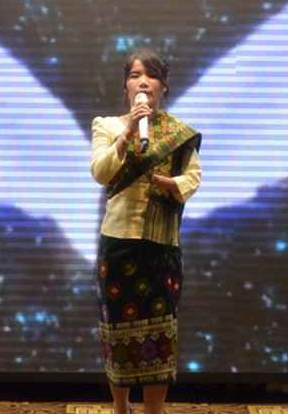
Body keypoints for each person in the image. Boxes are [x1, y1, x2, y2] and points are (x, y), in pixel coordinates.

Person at [90, 49, 202, 414]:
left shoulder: (177, 133)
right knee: (117, 332)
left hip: (161, 248)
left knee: (159, 333)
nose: (143, 82)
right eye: (135, 75)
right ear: (126, 86)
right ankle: (121, 408)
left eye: (151, 75)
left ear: (163, 86)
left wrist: (169, 184)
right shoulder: (106, 126)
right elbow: (100, 171)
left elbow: (194, 177)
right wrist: (127, 132)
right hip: (118, 244)